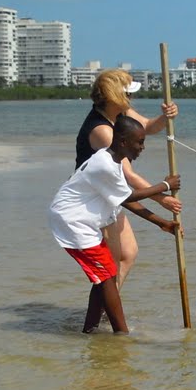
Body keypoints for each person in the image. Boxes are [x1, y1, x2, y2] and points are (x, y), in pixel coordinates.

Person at [49, 115, 180, 334]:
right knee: (107, 274)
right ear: (122, 142)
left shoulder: (112, 161)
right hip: (72, 222)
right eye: (139, 142)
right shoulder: (105, 164)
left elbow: (122, 200)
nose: (142, 148)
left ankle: (89, 329)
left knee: (103, 275)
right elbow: (128, 197)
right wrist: (164, 185)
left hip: (80, 223)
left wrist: (161, 223)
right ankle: (122, 334)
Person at [74, 68, 180, 288]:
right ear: (114, 96)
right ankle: (103, 312)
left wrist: (165, 116)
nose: (132, 98)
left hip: (113, 194)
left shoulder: (121, 113)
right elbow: (128, 175)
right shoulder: (102, 130)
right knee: (109, 263)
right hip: (92, 201)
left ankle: (108, 309)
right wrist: (162, 197)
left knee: (128, 253)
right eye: (128, 94)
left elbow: (148, 127)